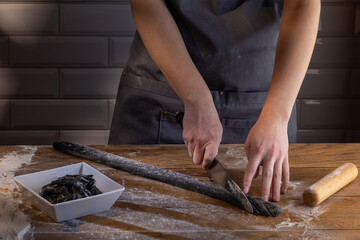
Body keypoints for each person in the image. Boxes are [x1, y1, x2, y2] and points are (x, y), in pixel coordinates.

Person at [109, 0, 321, 202]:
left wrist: (276, 116)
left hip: (263, 105)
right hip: (158, 95)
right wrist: (196, 99)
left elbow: (304, 3)